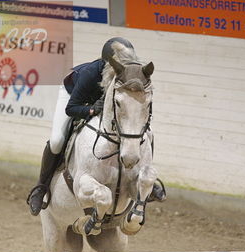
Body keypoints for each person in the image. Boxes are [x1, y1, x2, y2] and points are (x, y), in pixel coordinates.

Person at [27, 37, 166, 216]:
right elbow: (72, 108)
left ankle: (146, 180)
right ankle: (41, 187)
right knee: (56, 140)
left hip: (104, 105)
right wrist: (92, 110)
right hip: (75, 98)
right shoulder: (90, 74)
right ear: (109, 63)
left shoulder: (128, 75)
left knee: (147, 132)